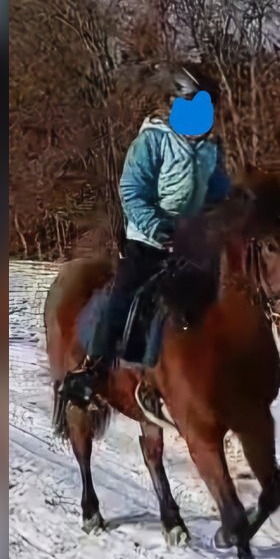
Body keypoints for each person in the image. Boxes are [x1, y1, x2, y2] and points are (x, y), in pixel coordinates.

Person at [60, 65, 231, 414]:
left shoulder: (210, 149)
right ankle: (92, 371)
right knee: (125, 294)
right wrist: (157, 226)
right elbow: (132, 190)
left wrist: (232, 208)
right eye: (197, 107)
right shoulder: (152, 141)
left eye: (208, 108)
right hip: (149, 240)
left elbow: (217, 191)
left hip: (191, 241)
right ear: (177, 104)